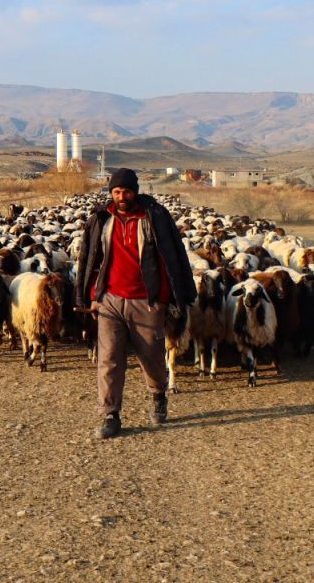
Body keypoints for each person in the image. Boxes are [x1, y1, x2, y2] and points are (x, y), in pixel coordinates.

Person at [75, 168, 197, 439]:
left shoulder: (153, 218)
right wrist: (91, 297)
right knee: (109, 359)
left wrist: (169, 297)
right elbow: (90, 258)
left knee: (151, 356)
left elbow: (173, 257)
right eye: (116, 192)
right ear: (111, 193)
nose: (121, 197)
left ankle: (158, 395)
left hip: (147, 300)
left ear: (135, 191)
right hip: (110, 300)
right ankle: (110, 414)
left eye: (126, 191)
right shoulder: (101, 219)